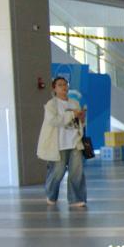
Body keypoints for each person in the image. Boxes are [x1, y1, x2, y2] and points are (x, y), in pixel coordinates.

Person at [37, 75, 87, 208]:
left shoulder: (74, 103)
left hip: (74, 142)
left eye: (65, 84)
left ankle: (76, 199)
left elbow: (79, 123)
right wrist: (72, 114)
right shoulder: (51, 105)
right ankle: (51, 194)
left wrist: (82, 119)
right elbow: (54, 121)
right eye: (60, 85)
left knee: (77, 172)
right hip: (58, 144)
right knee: (57, 172)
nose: (64, 87)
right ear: (54, 88)